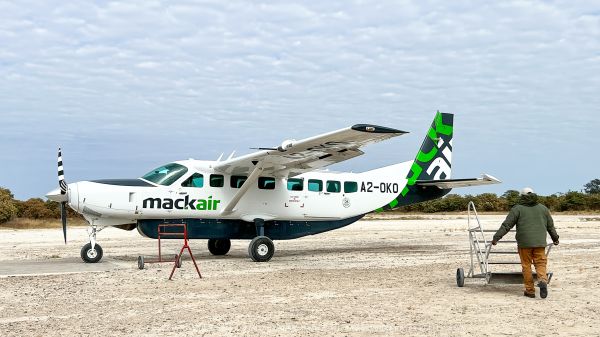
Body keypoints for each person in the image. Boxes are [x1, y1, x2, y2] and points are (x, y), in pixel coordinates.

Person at [491, 187, 559, 299]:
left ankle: (530, 291)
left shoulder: (517, 209)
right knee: (541, 263)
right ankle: (542, 280)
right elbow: (550, 226)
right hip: (540, 243)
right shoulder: (543, 208)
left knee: (526, 265)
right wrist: (555, 238)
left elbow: (506, 225)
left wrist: (496, 238)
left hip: (524, 243)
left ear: (522, 196)